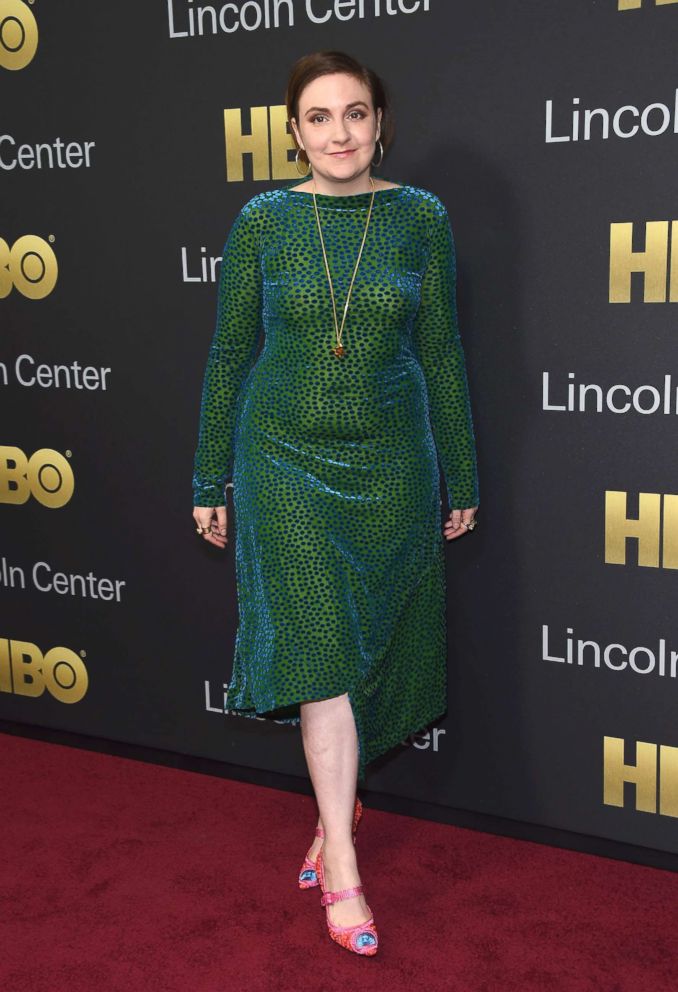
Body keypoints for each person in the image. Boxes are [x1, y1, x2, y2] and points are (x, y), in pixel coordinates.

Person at [192, 49, 479, 956]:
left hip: (394, 463)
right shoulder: (265, 221)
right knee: (319, 655)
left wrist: (460, 477)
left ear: (380, 123)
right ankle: (344, 862)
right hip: (281, 462)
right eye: (319, 118)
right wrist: (209, 477)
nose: (340, 133)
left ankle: (331, 813)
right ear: (293, 131)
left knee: (372, 661)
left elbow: (441, 356)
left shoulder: (421, 218)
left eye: (356, 114)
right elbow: (230, 354)